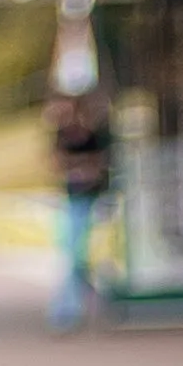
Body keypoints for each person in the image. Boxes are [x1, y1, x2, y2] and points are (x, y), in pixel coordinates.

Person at [44, 88, 111, 332]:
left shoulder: (96, 135)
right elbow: (56, 163)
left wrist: (82, 166)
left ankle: (69, 310)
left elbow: (100, 163)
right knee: (73, 255)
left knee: (78, 255)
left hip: (94, 200)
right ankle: (74, 307)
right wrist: (81, 165)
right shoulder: (64, 135)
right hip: (73, 198)